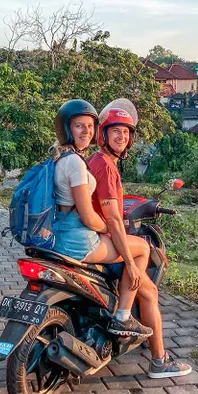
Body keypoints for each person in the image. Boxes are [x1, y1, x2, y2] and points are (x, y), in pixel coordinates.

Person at [87, 101, 192, 379]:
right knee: (144, 255)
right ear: (103, 135)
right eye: (115, 132)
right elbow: (111, 219)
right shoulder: (105, 165)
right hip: (102, 242)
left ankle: (155, 354)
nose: (121, 137)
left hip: (92, 236)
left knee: (148, 292)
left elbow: (103, 206)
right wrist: (131, 264)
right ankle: (150, 351)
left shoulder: (96, 162)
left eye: (126, 132)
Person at [50, 99, 153, 338]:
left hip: (59, 233)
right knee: (141, 249)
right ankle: (123, 317)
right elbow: (88, 217)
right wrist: (110, 229)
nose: (86, 131)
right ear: (67, 129)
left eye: (89, 126)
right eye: (79, 126)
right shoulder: (76, 163)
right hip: (76, 239)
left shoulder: (59, 157)